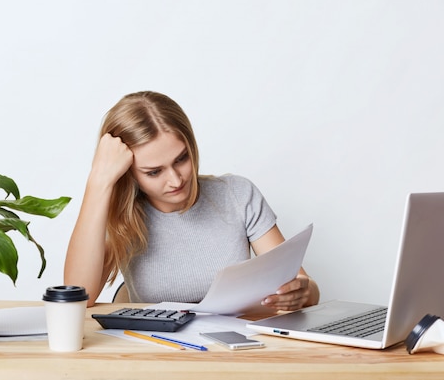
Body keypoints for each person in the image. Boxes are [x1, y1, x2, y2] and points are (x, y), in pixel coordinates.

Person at [64, 91, 320, 311]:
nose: (175, 180)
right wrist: (99, 182)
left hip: (231, 347)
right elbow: (76, 299)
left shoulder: (237, 195)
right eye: (154, 172)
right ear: (128, 172)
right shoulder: (122, 214)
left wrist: (302, 292)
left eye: (181, 159)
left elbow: (306, 287)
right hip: (156, 353)